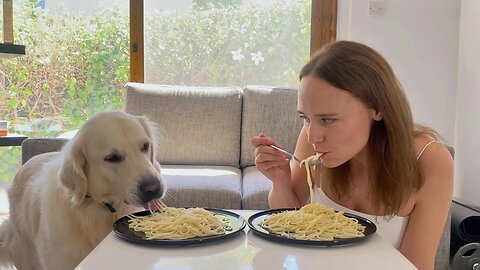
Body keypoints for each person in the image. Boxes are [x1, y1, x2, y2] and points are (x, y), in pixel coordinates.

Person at [251, 40, 453, 270]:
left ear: (378, 109)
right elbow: (288, 223)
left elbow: (417, 266)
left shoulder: (430, 160)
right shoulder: (313, 139)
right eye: (305, 118)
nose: (313, 136)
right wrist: (281, 180)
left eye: (327, 120)